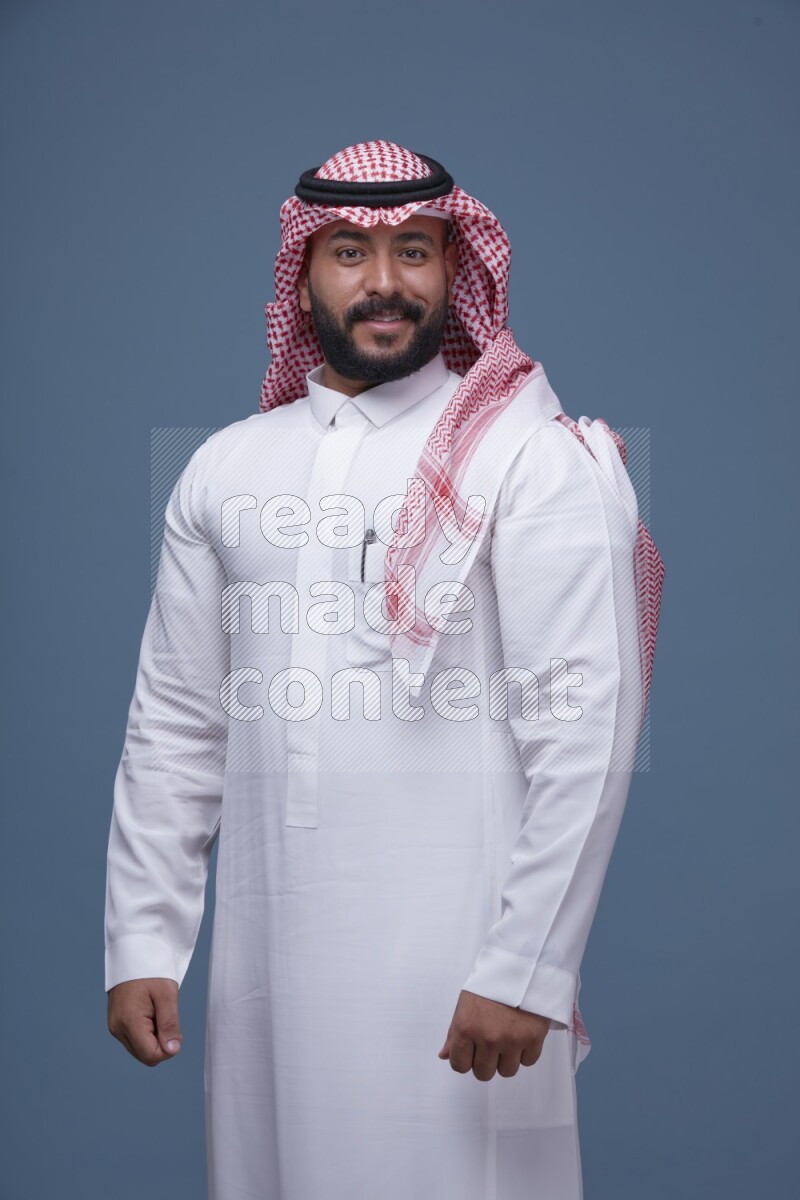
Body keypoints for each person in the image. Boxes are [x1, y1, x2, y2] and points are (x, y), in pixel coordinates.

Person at [104, 140, 664, 1200]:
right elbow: (176, 717)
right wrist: (143, 935)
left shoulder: (531, 457)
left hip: (460, 973)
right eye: (349, 253)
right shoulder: (226, 466)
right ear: (301, 274)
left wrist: (527, 966)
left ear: (455, 268)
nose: (384, 283)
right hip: (265, 971)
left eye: (414, 251)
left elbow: (586, 726)